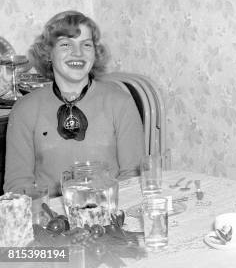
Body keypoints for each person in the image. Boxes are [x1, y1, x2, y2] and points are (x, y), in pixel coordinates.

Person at [3, 11, 144, 196]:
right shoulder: (24, 109)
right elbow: (17, 186)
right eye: (65, 44)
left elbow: (133, 176)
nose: (77, 53)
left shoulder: (120, 103)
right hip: (50, 218)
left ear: (95, 53)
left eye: (86, 45)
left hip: (108, 214)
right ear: (48, 53)